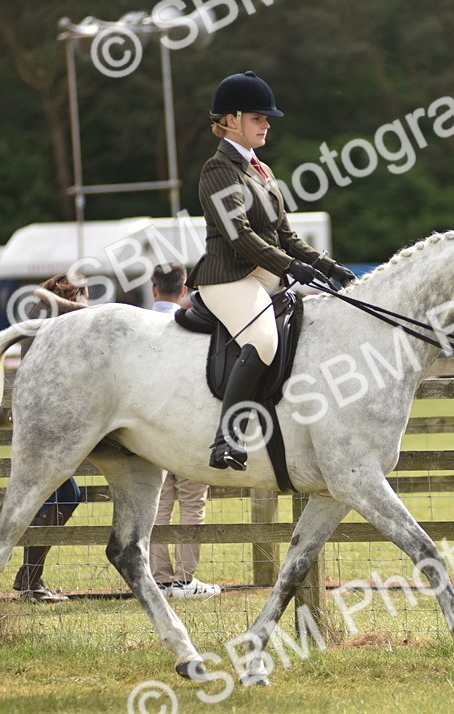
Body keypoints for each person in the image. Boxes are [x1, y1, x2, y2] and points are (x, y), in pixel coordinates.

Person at [194, 70, 357, 471]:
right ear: (230, 120)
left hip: (265, 275)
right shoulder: (219, 170)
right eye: (257, 117)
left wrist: (328, 265)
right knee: (264, 339)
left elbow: (286, 234)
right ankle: (227, 440)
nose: (267, 124)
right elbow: (241, 237)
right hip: (229, 277)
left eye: (267, 118)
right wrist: (292, 267)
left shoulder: (262, 171)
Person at [10, 273, 88, 602]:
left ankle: (30, 578)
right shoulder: (47, 311)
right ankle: (30, 580)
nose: (86, 302)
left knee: (60, 497)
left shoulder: (47, 312)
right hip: (44, 421)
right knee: (62, 496)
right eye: (84, 294)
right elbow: (64, 304)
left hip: (43, 419)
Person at [148, 264, 221, 599]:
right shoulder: (193, 326)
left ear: (153, 289)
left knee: (160, 504)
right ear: (183, 291)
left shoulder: (141, 328)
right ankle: (184, 579)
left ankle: (160, 578)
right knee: (193, 503)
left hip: (151, 429)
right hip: (190, 427)